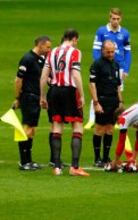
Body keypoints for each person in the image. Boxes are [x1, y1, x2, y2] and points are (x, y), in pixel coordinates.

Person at [40, 28, 89, 176]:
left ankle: (57, 167)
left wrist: (42, 96)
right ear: (74, 39)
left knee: (56, 126)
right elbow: (75, 74)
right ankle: (74, 167)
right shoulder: (75, 52)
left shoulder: (52, 52)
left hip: (54, 91)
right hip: (69, 91)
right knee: (78, 126)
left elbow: (43, 76)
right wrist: (81, 94)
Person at [85, 7, 132, 130]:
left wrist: (126, 69)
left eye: (117, 19)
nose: (115, 21)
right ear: (109, 18)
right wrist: (99, 65)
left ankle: (115, 119)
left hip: (118, 67)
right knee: (97, 92)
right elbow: (96, 49)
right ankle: (91, 120)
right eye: (113, 18)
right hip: (103, 67)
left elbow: (128, 52)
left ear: (121, 19)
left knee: (117, 93)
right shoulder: (101, 31)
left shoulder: (125, 33)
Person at [12, 36, 52, 170]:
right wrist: (17, 98)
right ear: (40, 45)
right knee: (27, 128)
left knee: (32, 130)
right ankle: (23, 162)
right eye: (47, 47)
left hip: (35, 98)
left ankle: (29, 160)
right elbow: (18, 80)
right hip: (28, 97)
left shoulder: (40, 59)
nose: (49, 49)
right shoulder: (27, 59)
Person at [89, 40, 124, 167]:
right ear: (102, 50)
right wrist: (96, 102)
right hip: (102, 100)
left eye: (112, 52)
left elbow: (118, 85)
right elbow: (92, 84)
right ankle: (97, 158)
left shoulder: (116, 64)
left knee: (110, 129)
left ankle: (106, 157)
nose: (110, 54)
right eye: (108, 52)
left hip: (113, 100)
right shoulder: (97, 64)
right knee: (99, 128)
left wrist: (120, 101)